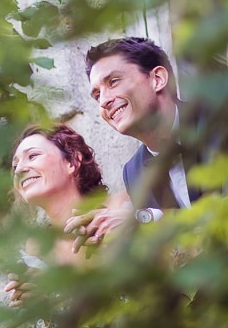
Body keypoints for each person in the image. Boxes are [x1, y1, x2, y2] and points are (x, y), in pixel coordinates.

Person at [65, 37, 201, 249]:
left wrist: (143, 219)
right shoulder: (134, 171)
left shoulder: (218, 123)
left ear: (157, 78)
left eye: (113, 81)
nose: (104, 101)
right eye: (97, 95)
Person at [4, 124, 106, 306]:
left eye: (32, 156)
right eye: (15, 165)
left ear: (72, 161)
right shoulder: (35, 250)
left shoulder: (116, 214)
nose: (19, 170)